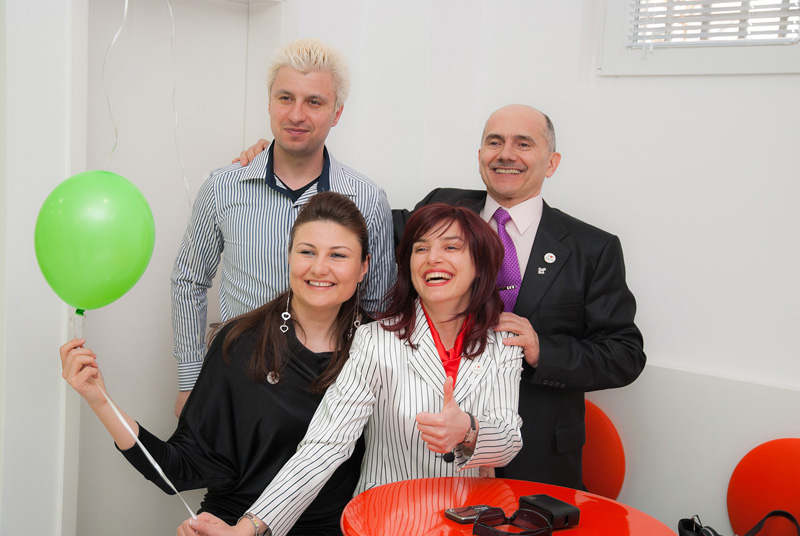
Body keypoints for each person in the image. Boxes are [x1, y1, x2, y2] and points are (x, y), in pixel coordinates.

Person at [178, 203, 524, 536]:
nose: (433, 258)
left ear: (480, 264)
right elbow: (325, 445)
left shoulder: (503, 343)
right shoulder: (376, 340)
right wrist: (248, 527)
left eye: (451, 247)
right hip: (386, 520)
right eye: (421, 248)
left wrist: (469, 430)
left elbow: (510, 438)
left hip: (469, 519)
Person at [61, 192, 371, 534]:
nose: (319, 268)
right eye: (307, 251)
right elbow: (176, 469)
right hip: (230, 525)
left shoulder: (379, 350)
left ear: (363, 267)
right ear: (289, 256)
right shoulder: (242, 342)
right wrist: (99, 399)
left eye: (338, 255)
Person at [396, 104, 646, 488]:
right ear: (480, 154)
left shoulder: (591, 248)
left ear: (552, 162)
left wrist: (542, 350)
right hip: (431, 446)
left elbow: (625, 354)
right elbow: (366, 228)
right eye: (494, 142)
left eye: (524, 143)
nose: (506, 154)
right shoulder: (441, 208)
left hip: (537, 453)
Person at [171, 39, 395, 417]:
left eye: (314, 102)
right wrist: (191, 382)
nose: (296, 114)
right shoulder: (223, 187)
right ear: (270, 103)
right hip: (236, 381)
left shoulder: (368, 198)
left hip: (330, 391)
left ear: (337, 113)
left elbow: (377, 306)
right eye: (285, 98)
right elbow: (188, 280)